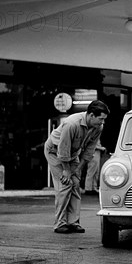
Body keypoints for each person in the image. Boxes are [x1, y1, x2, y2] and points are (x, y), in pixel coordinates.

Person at [44, 100, 109, 233]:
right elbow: (63, 150)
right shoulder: (71, 124)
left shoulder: (98, 127)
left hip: (73, 154)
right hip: (54, 152)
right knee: (65, 184)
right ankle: (60, 223)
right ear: (91, 115)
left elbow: (89, 151)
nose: (102, 122)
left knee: (75, 184)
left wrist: (78, 170)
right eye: (101, 119)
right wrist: (67, 171)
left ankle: (73, 222)